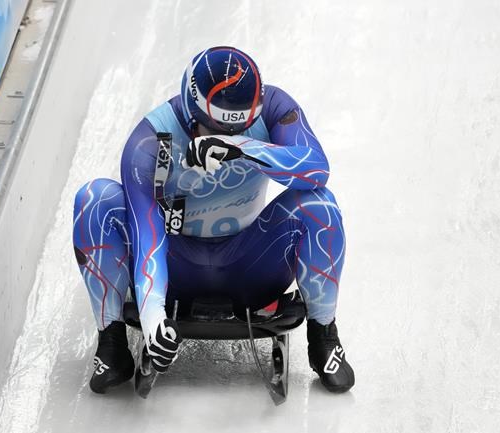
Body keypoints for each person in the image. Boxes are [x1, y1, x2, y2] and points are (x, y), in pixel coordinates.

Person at [72, 46, 355, 394]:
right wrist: (152, 316)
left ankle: (324, 335)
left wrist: (244, 148)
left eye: (241, 127)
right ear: (194, 113)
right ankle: (111, 342)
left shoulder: (276, 107)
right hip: (177, 269)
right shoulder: (149, 141)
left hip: (252, 266)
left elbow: (316, 170)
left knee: (320, 206)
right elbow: (146, 233)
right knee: (94, 200)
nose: (225, 134)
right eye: (217, 128)